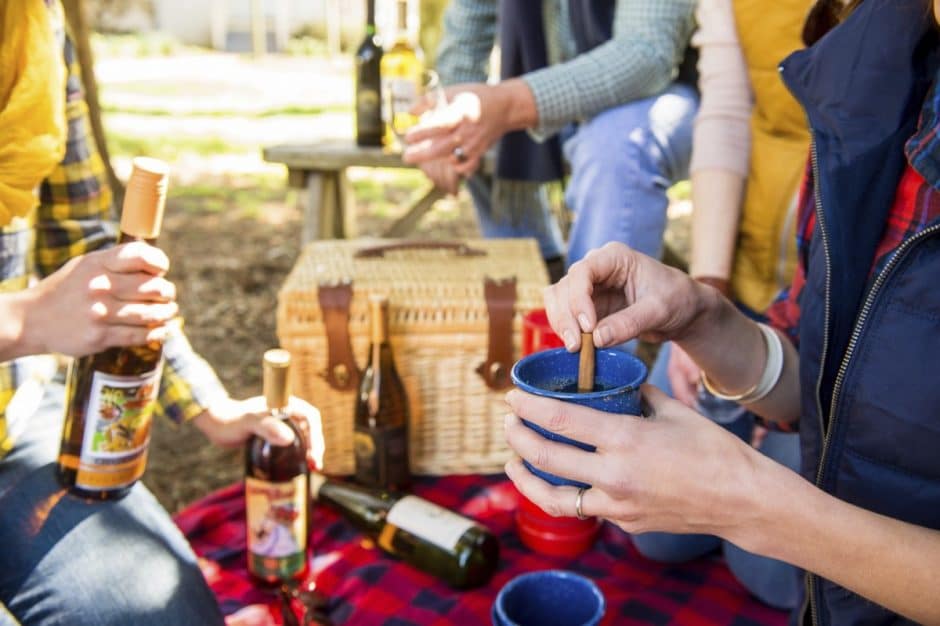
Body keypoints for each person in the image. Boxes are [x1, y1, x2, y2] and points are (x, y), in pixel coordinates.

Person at [503, 0, 940, 623]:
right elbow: (825, 380)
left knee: (760, 562)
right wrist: (704, 318)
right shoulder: (867, 82)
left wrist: (750, 507)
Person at [0, 4, 323, 625]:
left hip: (11, 423)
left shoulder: (34, 21)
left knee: (164, 613)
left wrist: (210, 406)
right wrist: (25, 323)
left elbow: (86, 243)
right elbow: (43, 312)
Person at [635, 0, 812, 609]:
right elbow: (728, 110)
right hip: (753, 281)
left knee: (768, 569)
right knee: (653, 528)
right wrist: (706, 298)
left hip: (850, 310)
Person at [402, 0, 698, 277]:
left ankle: (601, 323)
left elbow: (645, 54)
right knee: (475, 131)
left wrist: (509, 103)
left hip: (670, 94)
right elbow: (469, 29)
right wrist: (448, 129)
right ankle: (535, 285)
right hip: (560, 83)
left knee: (615, 146)